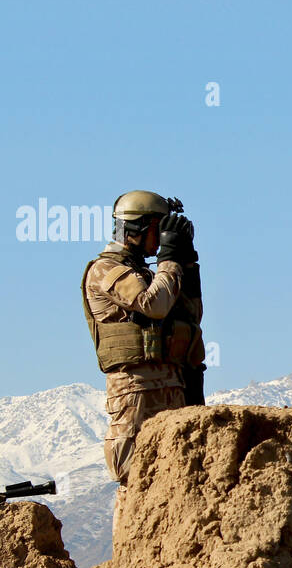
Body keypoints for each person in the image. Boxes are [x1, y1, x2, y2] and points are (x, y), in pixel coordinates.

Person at [81, 191, 204, 491]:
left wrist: (186, 264)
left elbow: (192, 314)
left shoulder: (150, 273)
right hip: (136, 390)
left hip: (174, 388)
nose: (161, 239)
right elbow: (155, 305)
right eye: (158, 229)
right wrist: (169, 261)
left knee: (179, 476)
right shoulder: (105, 270)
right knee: (136, 475)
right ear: (139, 227)